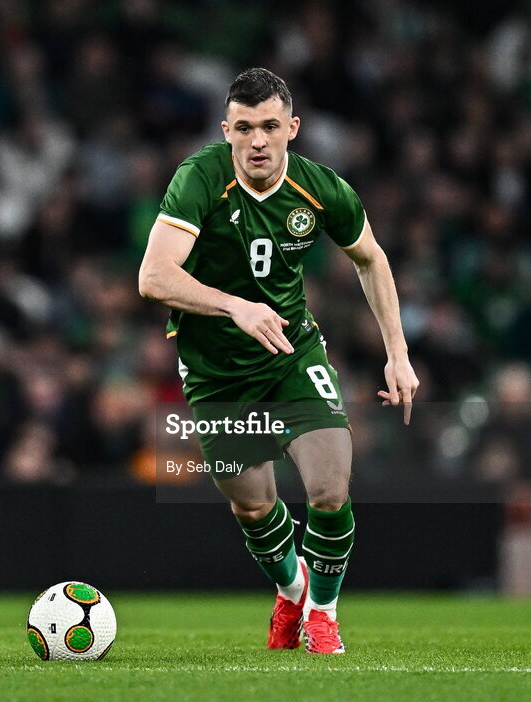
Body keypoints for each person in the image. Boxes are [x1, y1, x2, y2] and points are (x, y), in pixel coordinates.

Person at [138, 68, 419, 654]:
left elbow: (371, 259)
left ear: (292, 128)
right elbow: (153, 276)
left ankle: (323, 612)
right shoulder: (200, 178)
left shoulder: (321, 189)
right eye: (244, 128)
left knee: (330, 487)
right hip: (215, 372)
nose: (257, 141)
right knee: (253, 503)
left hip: (291, 357)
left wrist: (398, 353)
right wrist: (235, 306)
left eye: (270, 126)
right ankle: (291, 590)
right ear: (227, 130)